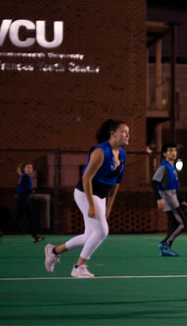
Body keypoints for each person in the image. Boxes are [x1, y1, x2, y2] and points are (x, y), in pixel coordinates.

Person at [44, 119, 128, 278]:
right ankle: (79, 266)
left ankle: (54, 251)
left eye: (128, 132)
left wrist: (108, 206)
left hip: (101, 195)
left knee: (90, 236)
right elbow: (86, 178)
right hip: (85, 193)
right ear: (113, 133)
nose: (127, 135)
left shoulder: (122, 154)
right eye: (124, 131)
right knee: (102, 231)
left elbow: (116, 183)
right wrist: (91, 204)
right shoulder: (101, 151)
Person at [153, 143, 187, 257]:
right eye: (170, 151)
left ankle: (166, 249)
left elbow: (175, 186)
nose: (173, 153)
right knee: (182, 224)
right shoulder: (163, 166)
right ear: (164, 154)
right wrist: (159, 198)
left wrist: (181, 200)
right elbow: (154, 182)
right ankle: (165, 243)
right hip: (168, 198)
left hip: (173, 197)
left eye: (174, 151)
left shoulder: (172, 167)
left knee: (174, 223)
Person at [1, 163, 44, 244]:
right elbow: (22, 186)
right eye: (28, 167)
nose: (30, 169)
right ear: (23, 169)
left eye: (31, 167)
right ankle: (1, 231)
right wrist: (30, 190)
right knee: (17, 219)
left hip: (24, 199)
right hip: (22, 199)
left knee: (31, 218)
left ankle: (35, 236)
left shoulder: (26, 177)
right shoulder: (25, 177)